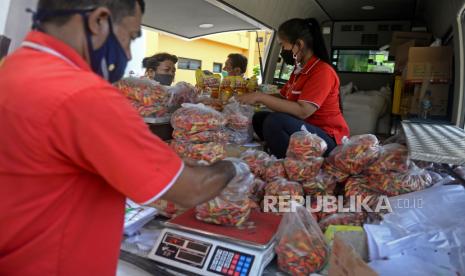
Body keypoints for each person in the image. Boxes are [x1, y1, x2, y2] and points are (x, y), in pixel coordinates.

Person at [0, 1, 237, 275]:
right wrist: (233, 167)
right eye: (131, 36)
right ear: (99, 21)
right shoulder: (85, 95)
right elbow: (191, 190)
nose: (126, 51)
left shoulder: (12, 69)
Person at [238, 18, 349, 158]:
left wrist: (261, 97)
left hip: (327, 138)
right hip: (305, 129)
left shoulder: (322, 71)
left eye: (283, 45)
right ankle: (277, 148)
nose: (282, 51)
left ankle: (290, 164)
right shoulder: (300, 70)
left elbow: (303, 111)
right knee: (260, 118)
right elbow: (283, 97)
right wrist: (255, 97)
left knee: (275, 122)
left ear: (299, 44)